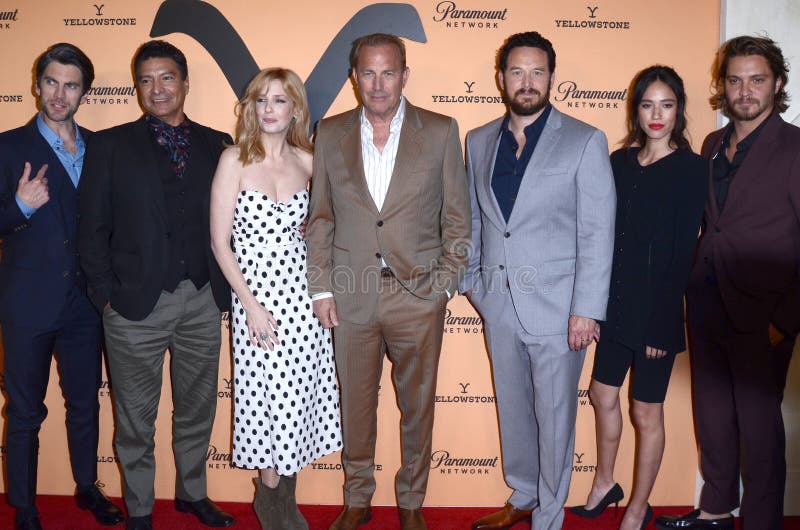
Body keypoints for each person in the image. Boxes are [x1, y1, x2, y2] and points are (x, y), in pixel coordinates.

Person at [306, 33, 470, 530]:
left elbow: (458, 221)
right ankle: (357, 499)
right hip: (351, 296)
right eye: (368, 73)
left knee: (417, 408)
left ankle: (411, 502)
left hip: (417, 297)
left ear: (404, 75)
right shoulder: (329, 133)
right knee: (356, 406)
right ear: (355, 77)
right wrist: (321, 287)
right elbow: (321, 219)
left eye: (389, 72)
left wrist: (443, 286)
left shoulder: (441, 131)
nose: (378, 85)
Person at [461, 31, 616, 530]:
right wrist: (473, 285)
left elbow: (597, 231)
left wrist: (586, 309)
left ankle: (549, 516)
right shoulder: (479, 140)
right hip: (499, 305)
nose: (526, 82)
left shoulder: (584, 139)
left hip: (561, 310)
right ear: (501, 77)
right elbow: (473, 220)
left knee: (555, 423)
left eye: (537, 72)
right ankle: (523, 494)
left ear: (551, 76)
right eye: (516, 72)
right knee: (514, 409)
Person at [78, 40, 234, 530]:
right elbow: (91, 228)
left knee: (197, 409)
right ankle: (141, 509)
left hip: (203, 300)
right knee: (135, 420)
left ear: (185, 82)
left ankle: (191, 494)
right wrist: (106, 297)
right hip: (133, 304)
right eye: (146, 80)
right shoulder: (109, 145)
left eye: (166, 77)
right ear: (137, 88)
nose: (157, 89)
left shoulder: (219, 143)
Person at [655, 35, 800, 530]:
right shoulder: (713, 144)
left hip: (765, 314)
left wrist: (787, 320)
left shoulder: (796, 147)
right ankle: (716, 509)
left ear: (776, 83)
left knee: (759, 433)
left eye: (756, 80)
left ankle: (761, 522)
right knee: (713, 418)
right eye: (735, 80)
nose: (745, 91)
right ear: (724, 86)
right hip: (708, 303)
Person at [568, 66, 706, 530]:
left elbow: (684, 250)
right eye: (648, 104)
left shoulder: (691, 170)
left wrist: (664, 324)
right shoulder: (618, 162)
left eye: (666, 105)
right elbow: (603, 236)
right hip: (616, 306)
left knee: (646, 410)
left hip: (656, 314)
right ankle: (605, 482)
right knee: (602, 394)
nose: (656, 115)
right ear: (636, 109)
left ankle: (638, 506)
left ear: (678, 111)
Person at [209, 67, 343, 530]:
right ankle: (269, 496)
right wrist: (249, 305)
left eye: (280, 101)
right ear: (251, 107)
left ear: (295, 109)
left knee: (298, 399)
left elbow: (327, 229)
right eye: (262, 100)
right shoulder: (233, 160)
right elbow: (219, 244)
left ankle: (285, 496)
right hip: (256, 302)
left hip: (303, 301)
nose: (269, 109)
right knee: (265, 400)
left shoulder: (309, 161)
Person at [0, 42, 124, 530]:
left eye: (71, 85)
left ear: (83, 93)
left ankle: (87, 486)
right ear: (37, 86)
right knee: (26, 412)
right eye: (51, 82)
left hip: (85, 306)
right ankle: (25, 508)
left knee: (84, 404)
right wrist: (21, 207)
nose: (59, 93)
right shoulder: (8, 147)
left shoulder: (101, 148)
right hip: (26, 304)